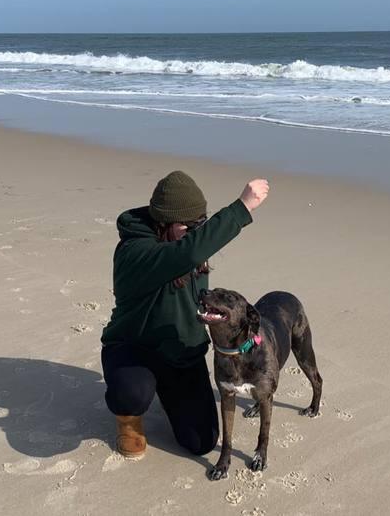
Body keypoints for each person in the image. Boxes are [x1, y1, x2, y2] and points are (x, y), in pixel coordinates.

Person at [101, 170, 269, 458]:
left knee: (201, 441)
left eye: (200, 224)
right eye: (188, 226)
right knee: (132, 393)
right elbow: (185, 253)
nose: (195, 231)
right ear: (162, 223)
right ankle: (128, 420)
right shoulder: (135, 252)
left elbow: (190, 252)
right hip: (135, 348)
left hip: (179, 353)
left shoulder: (187, 244)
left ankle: (166, 391)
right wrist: (242, 208)